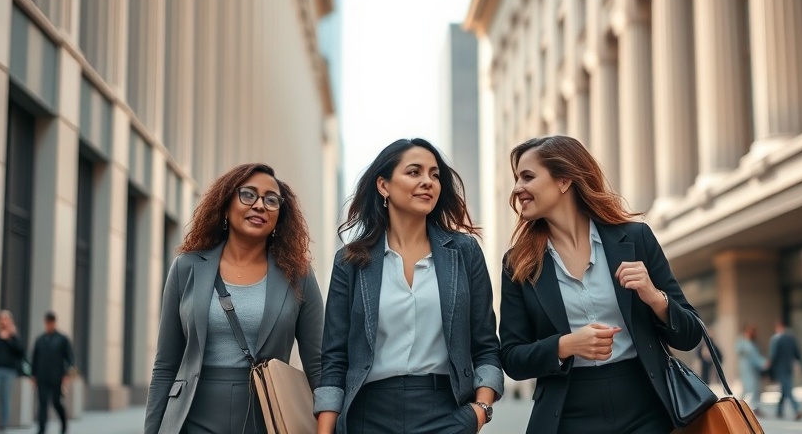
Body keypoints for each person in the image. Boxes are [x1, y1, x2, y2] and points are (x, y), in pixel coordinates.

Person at [498, 135, 703, 434]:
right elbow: (512, 358)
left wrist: (654, 297)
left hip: (647, 409)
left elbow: (690, 336)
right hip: (567, 414)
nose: (517, 189)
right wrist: (566, 345)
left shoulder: (635, 239)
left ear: (564, 180)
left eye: (527, 177)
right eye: (516, 179)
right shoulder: (518, 263)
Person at [314, 138, 503, 434]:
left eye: (435, 175)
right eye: (414, 172)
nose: (428, 181)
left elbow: (486, 345)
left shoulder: (465, 253)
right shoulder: (350, 261)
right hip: (368, 415)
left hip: (446, 412)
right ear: (383, 186)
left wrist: (480, 411)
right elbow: (335, 358)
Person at [144, 163, 324, 433]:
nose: (260, 205)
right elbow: (166, 364)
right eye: (248, 195)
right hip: (192, 416)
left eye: (271, 200)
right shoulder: (187, 267)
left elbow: (318, 363)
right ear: (226, 206)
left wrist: (329, 424)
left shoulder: (298, 275)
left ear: (279, 216)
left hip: (267, 417)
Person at [31, 311, 74, 434]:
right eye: (47, 323)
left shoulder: (62, 339)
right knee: (42, 404)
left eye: (51, 322)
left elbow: (70, 358)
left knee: (56, 402)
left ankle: (64, 424)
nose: (49, 325)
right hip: (42, 377)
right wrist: (33, 376)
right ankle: (42, 429)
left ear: (54, 323)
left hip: (57, 377)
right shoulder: (40, 340)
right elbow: (35, 359)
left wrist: (67, 375)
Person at [766, 320, 802, 420]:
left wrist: (769, 369)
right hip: (788, 367)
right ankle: (779, 411)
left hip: (780, 368)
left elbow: (772, 355)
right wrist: (800, 363)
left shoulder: (775, 339)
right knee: (785, 389)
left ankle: (797, 409)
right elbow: (797, 352)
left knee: (787, 389)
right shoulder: (791, 338)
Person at [735, 324, 767, 417]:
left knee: (752, 389)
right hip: (747, 370)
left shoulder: (752, 343)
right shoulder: (743, 343)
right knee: (749, 389)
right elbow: (753, 356)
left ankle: (751, 408)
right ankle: (748, 408)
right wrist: (763, 363)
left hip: (752, 370)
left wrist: (763, 362)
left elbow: (755, 356)